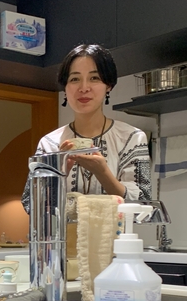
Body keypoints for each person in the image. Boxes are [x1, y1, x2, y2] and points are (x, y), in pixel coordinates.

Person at [22, 44, 151, 213]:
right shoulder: (49, 144)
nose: (84, 88)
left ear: (109, 85)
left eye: (94, 78)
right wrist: (60, 173)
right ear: (65, 88)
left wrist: (103, 173)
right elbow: (30, 205)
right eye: (74, 79)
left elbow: (144, 205)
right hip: (64, 231)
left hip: (116, 232)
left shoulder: (131, 138)